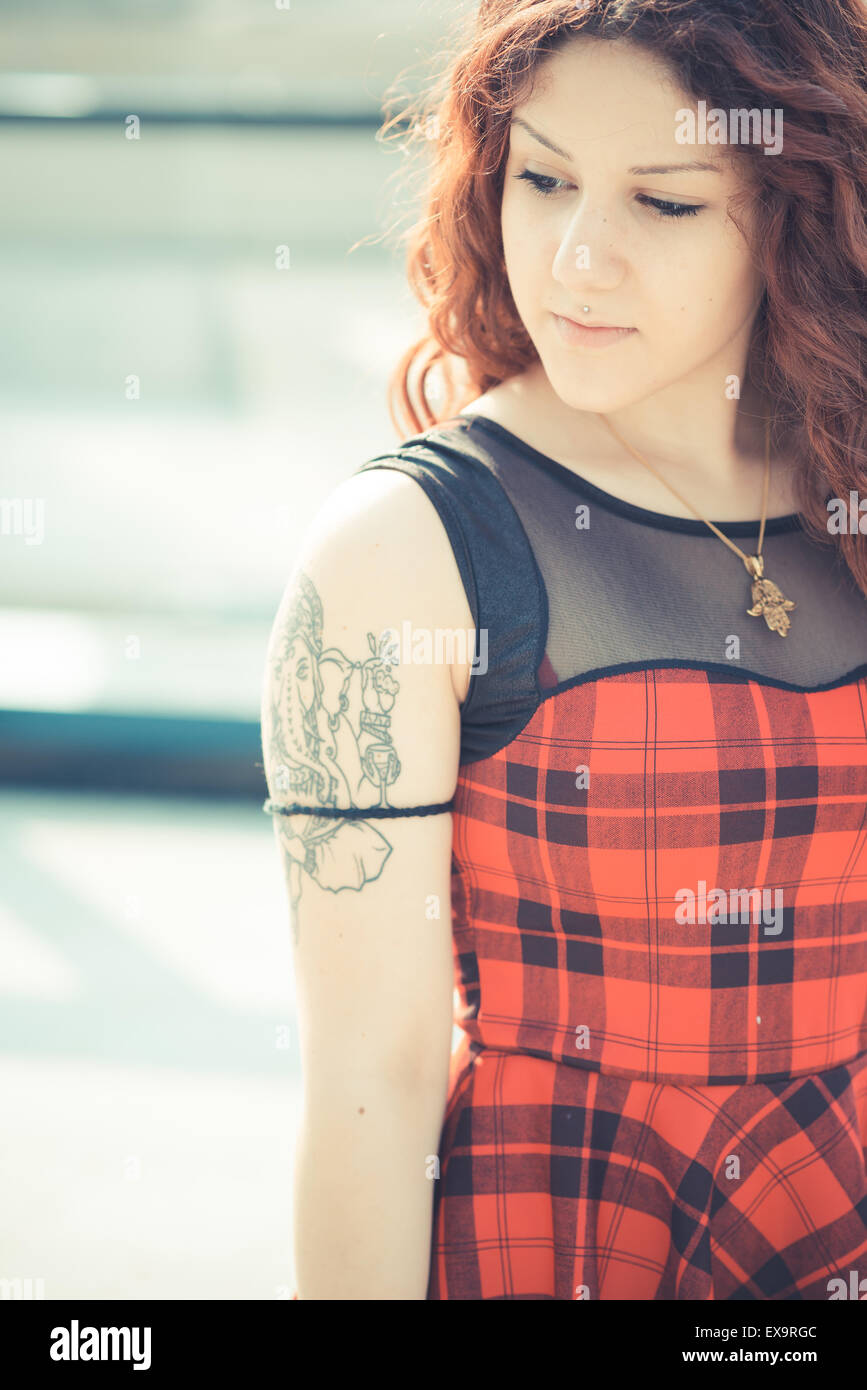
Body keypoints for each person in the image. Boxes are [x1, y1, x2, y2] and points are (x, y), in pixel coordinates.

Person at [261, 0, 867, 1299]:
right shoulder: (405, 547)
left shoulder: (850, 485)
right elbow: (372, 1079)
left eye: (665, 203)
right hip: (570, 1241)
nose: (580, 260)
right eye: (544, 179)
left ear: (798, 209)